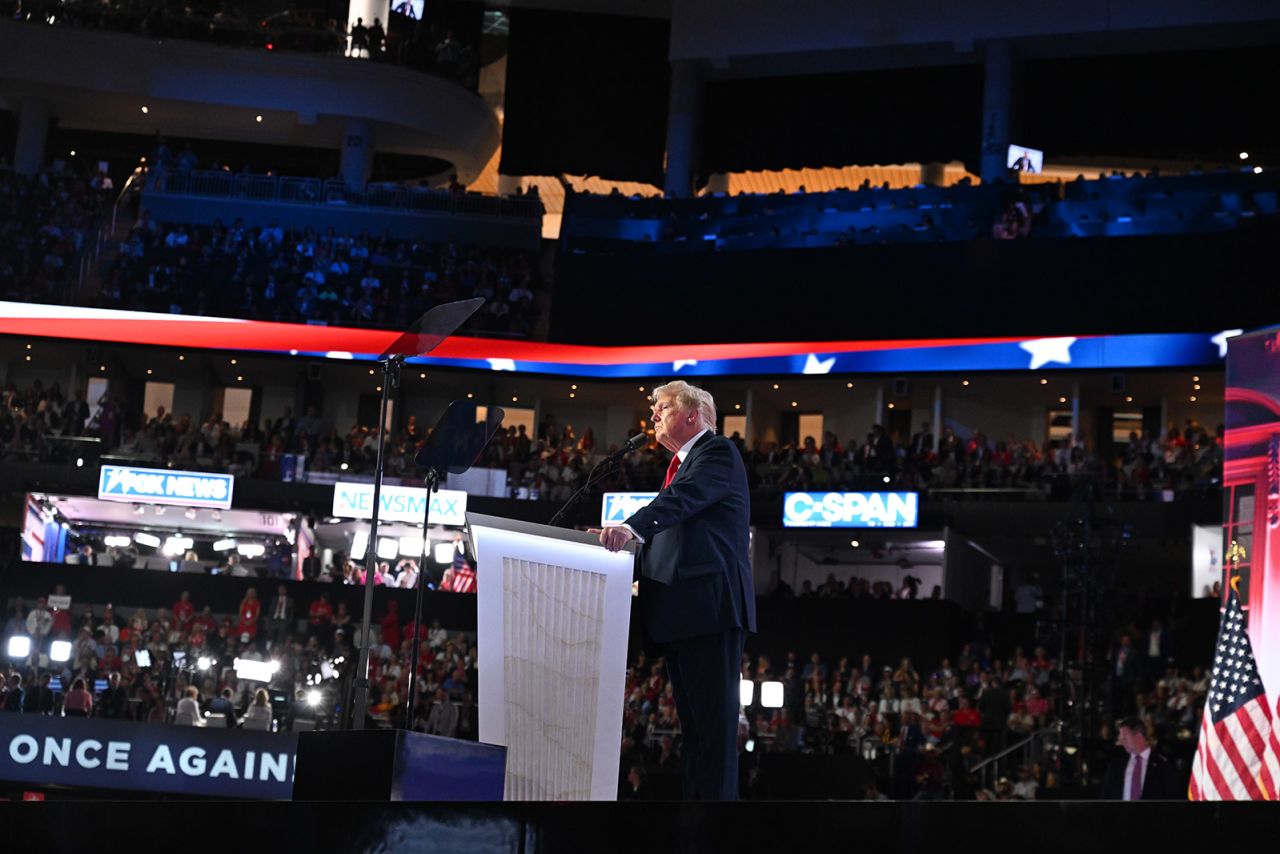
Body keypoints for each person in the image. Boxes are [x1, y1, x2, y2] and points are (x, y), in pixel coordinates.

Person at [597, 380, 756, 800]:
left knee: (714, 732)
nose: (651, 417)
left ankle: (714, 827)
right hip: (684, 616)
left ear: (692, 415)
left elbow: (682, 501)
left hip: (710, 610)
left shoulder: (716, 452)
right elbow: (675, 536)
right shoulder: (684, 466)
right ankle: (695, 822)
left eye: (661, 408)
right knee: (697, 733)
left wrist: (630, 528)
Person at [1100, 717, 1183, 799]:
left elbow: (1171, 799)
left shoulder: (1163, 766)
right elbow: (1106, 799)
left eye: (1125, 737)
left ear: (1138, 737)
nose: (1121, 741)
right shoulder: (1116, 765)